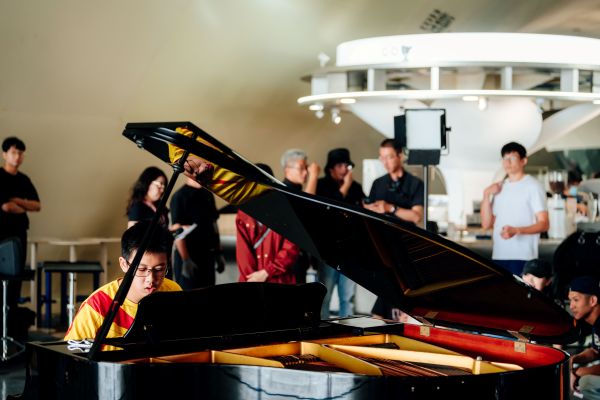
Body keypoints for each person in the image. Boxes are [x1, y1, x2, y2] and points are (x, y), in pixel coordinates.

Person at [64, 221, 182, 341]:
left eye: (159, 269)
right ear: (124, 264)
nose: (150, 279)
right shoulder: (97, 307)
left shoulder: (173, 292)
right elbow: (72, 350)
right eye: (141, 269)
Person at [480, 142, 549, 276]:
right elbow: (486, 224)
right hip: (499, 255)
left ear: (524, 161)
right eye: (504, 158)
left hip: (524, 257)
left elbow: (544, 224)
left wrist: (517, 230)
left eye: (512, 158)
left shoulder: (534, 186)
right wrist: (486, 194)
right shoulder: (499, 187)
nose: (507, 162)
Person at [316, 148, 365, 318]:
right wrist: (344, 187)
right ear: (331, 168)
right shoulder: (321, 185)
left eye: (346, 165)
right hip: (328, 251)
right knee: (324, 296)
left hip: (350, 251)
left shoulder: (355, 187)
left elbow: (363, 212)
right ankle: (322, 328)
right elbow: (327, 210)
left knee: (348, 298)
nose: (344, 169)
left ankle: (347, 328)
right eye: (340, 165)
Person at [236, 164, 299, 284]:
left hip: (281, 280)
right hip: (251, 280)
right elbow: (243, 252)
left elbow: (291, 249)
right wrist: (252, 279)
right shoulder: (243, 213)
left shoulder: (285, 211)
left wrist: (267, 272)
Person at [0, 137, 41, 309]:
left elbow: (37, 205)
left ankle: (12, 313)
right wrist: (24, 205)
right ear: (4, 154)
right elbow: (6, 207)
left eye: (20, 153)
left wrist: (17, 201)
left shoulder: (24, 179)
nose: (17, 156)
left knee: (17, 274)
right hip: (2, 233)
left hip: (19, 233)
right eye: (13, 152)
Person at [170, 176, 225, 290]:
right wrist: (186, 260)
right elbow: (177, 232)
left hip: (207, 256)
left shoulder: (208, 194)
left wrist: (219, 252)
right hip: (188, 256)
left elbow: (214, 225)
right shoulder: (179, 197)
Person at [280, 149, 320, 283]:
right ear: (287, 169)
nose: (306, 172)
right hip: (289, 257)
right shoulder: (283, 191)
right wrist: (314, 176)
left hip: (301, 256)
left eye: (306, 168)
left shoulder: (298, 190)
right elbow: (305, 208)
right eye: (301, 168)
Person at [364, 139, 424, 225]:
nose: (385, 163)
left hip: (404, 232)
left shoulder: (415, 183)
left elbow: (416, 217)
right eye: (382, 158)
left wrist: (390, 208)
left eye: (389, 157)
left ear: (400, 156)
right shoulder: (378, 183)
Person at [568, 276, 600, 398]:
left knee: (586, 382)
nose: (571, 306)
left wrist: (580, 372)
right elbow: (595, 351)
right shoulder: (596, 322)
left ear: (592, 300)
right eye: (570, 300)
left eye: (576, 300)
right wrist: (575, 358)